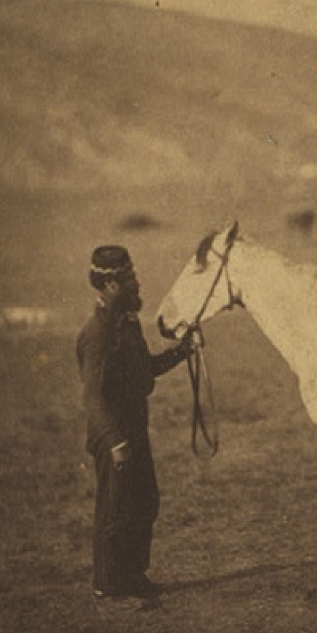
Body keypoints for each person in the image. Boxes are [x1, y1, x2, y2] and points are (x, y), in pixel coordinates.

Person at [76, 245, 192, 599]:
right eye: (130, 279)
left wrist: (182, 352)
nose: (138, 284)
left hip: (133, 429)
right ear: (110, 286)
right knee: (115, 507)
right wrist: (114, 442)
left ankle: (132, 576)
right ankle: (107, 584)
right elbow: (93, 396)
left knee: (144, 501)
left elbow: (146, 369)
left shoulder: (127, 325)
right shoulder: (97, 335)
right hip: (114, 434)